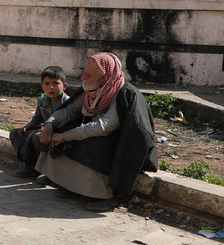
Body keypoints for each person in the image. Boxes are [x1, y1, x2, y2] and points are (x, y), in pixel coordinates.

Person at [34, 53, 158, 212]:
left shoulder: (122, 92)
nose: (83, 77)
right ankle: (70, 186)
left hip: (120, 141)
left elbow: (105, 126)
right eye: (84, 72)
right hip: (90, 130)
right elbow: (70, 110)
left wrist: (65, 136)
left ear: (104, 76)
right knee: (59, 129)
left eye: (89, 75)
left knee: (93, 146)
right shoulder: (90, 87)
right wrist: (50, 124)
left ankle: (105, 196)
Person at [9, 66, 69, 177]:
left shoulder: (68, 102)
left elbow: (68, 123)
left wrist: (48, 128)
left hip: (59, 133)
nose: (51, 87)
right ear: (42, 86)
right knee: (15, 134)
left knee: (37, 137)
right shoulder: (42, 100)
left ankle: (46, 171)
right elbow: (37, 117)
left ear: (64, 86)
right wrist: (28, 127)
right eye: (47, 84)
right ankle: (31, 166)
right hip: (41, 129)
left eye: (56, 83)